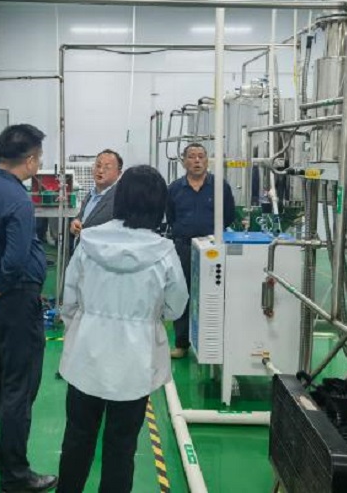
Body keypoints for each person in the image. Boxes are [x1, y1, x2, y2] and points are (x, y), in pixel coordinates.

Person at [56, 165, 188, 493]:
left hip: (87, 354)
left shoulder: (89, 241)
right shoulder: (163, 251)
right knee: (121, 445)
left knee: (78, 437)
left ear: (120, 198)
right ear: (159, 204)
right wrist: (148, 317)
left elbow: (68, 298)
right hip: (135, 362)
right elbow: (176, 305)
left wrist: (81, 326)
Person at [0, 124, 57, 493]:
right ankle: (16, 476)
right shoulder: (18, 200)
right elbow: (16, 258)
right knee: (19, 390)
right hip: (13, 300)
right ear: (31, 160)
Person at [166, 143, 236, 359]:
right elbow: (170, 217)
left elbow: (229, 216)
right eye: (192, 156)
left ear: (207, 160)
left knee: (214, 294)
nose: (196, 160)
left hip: (213, 249)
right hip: (184, 248)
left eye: (201, 156)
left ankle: (215, 342)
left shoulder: (220, 187)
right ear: (184, 161)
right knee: (183, 294)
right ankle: (182, 343)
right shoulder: (174, 189)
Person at [69, 149, 123, 240]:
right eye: (98, 166)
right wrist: (76, 222)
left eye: (107, 167)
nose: (100, 170)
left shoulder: (120, 198)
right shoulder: (90, 194)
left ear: (119, 173)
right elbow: (84, 217)